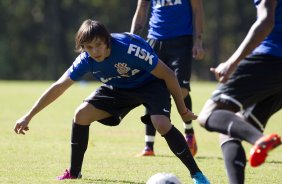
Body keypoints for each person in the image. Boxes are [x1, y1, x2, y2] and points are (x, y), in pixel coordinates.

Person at [14, 19, 210, 183]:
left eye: (98, 45)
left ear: (107, 41)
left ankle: (197, 174)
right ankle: (74, 173)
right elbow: (59, 87)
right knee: (81, 115)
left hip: (151, 85)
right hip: (118, 87)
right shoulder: (86, 59)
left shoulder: (129, 49)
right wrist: (28, 116)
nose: (95, 51)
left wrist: (182, 109)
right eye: (89, 47)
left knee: (161, 123)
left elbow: (168, 74)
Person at [198, 0, 282, 183]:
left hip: (270, 59)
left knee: (208, 114)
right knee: (232, 129)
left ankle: (259, 140)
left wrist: (231, 62)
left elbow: (266, 21)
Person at [130, 0, 205, 157]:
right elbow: (142, 7)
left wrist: (198, 41)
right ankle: (148, 146)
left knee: (182, 90)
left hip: (181, 40)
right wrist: (132, 39)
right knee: (150, 88)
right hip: (154, 39)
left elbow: (197, 9)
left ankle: (189, 133)